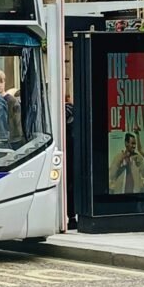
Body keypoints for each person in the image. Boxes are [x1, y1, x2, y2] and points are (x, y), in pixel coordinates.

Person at [64, 94, 77, 230]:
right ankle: (72, 216)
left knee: (69, 185)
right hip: (72, 154)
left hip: (69, 153)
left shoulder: (67, 111)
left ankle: (71, 216)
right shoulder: (71, 111)